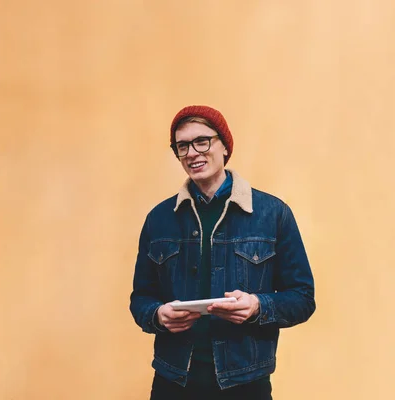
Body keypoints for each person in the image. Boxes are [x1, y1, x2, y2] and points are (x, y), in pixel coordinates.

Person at [129, 105, 316, 399]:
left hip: (246, 382)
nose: (192, 153)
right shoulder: (159, 218)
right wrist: (158, 314)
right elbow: (140, 298)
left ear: (224, 146)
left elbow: (303, 299)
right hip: (173, 380)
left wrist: (257, 306)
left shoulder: (272, 213)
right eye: (182, 146)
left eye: (202, 141)